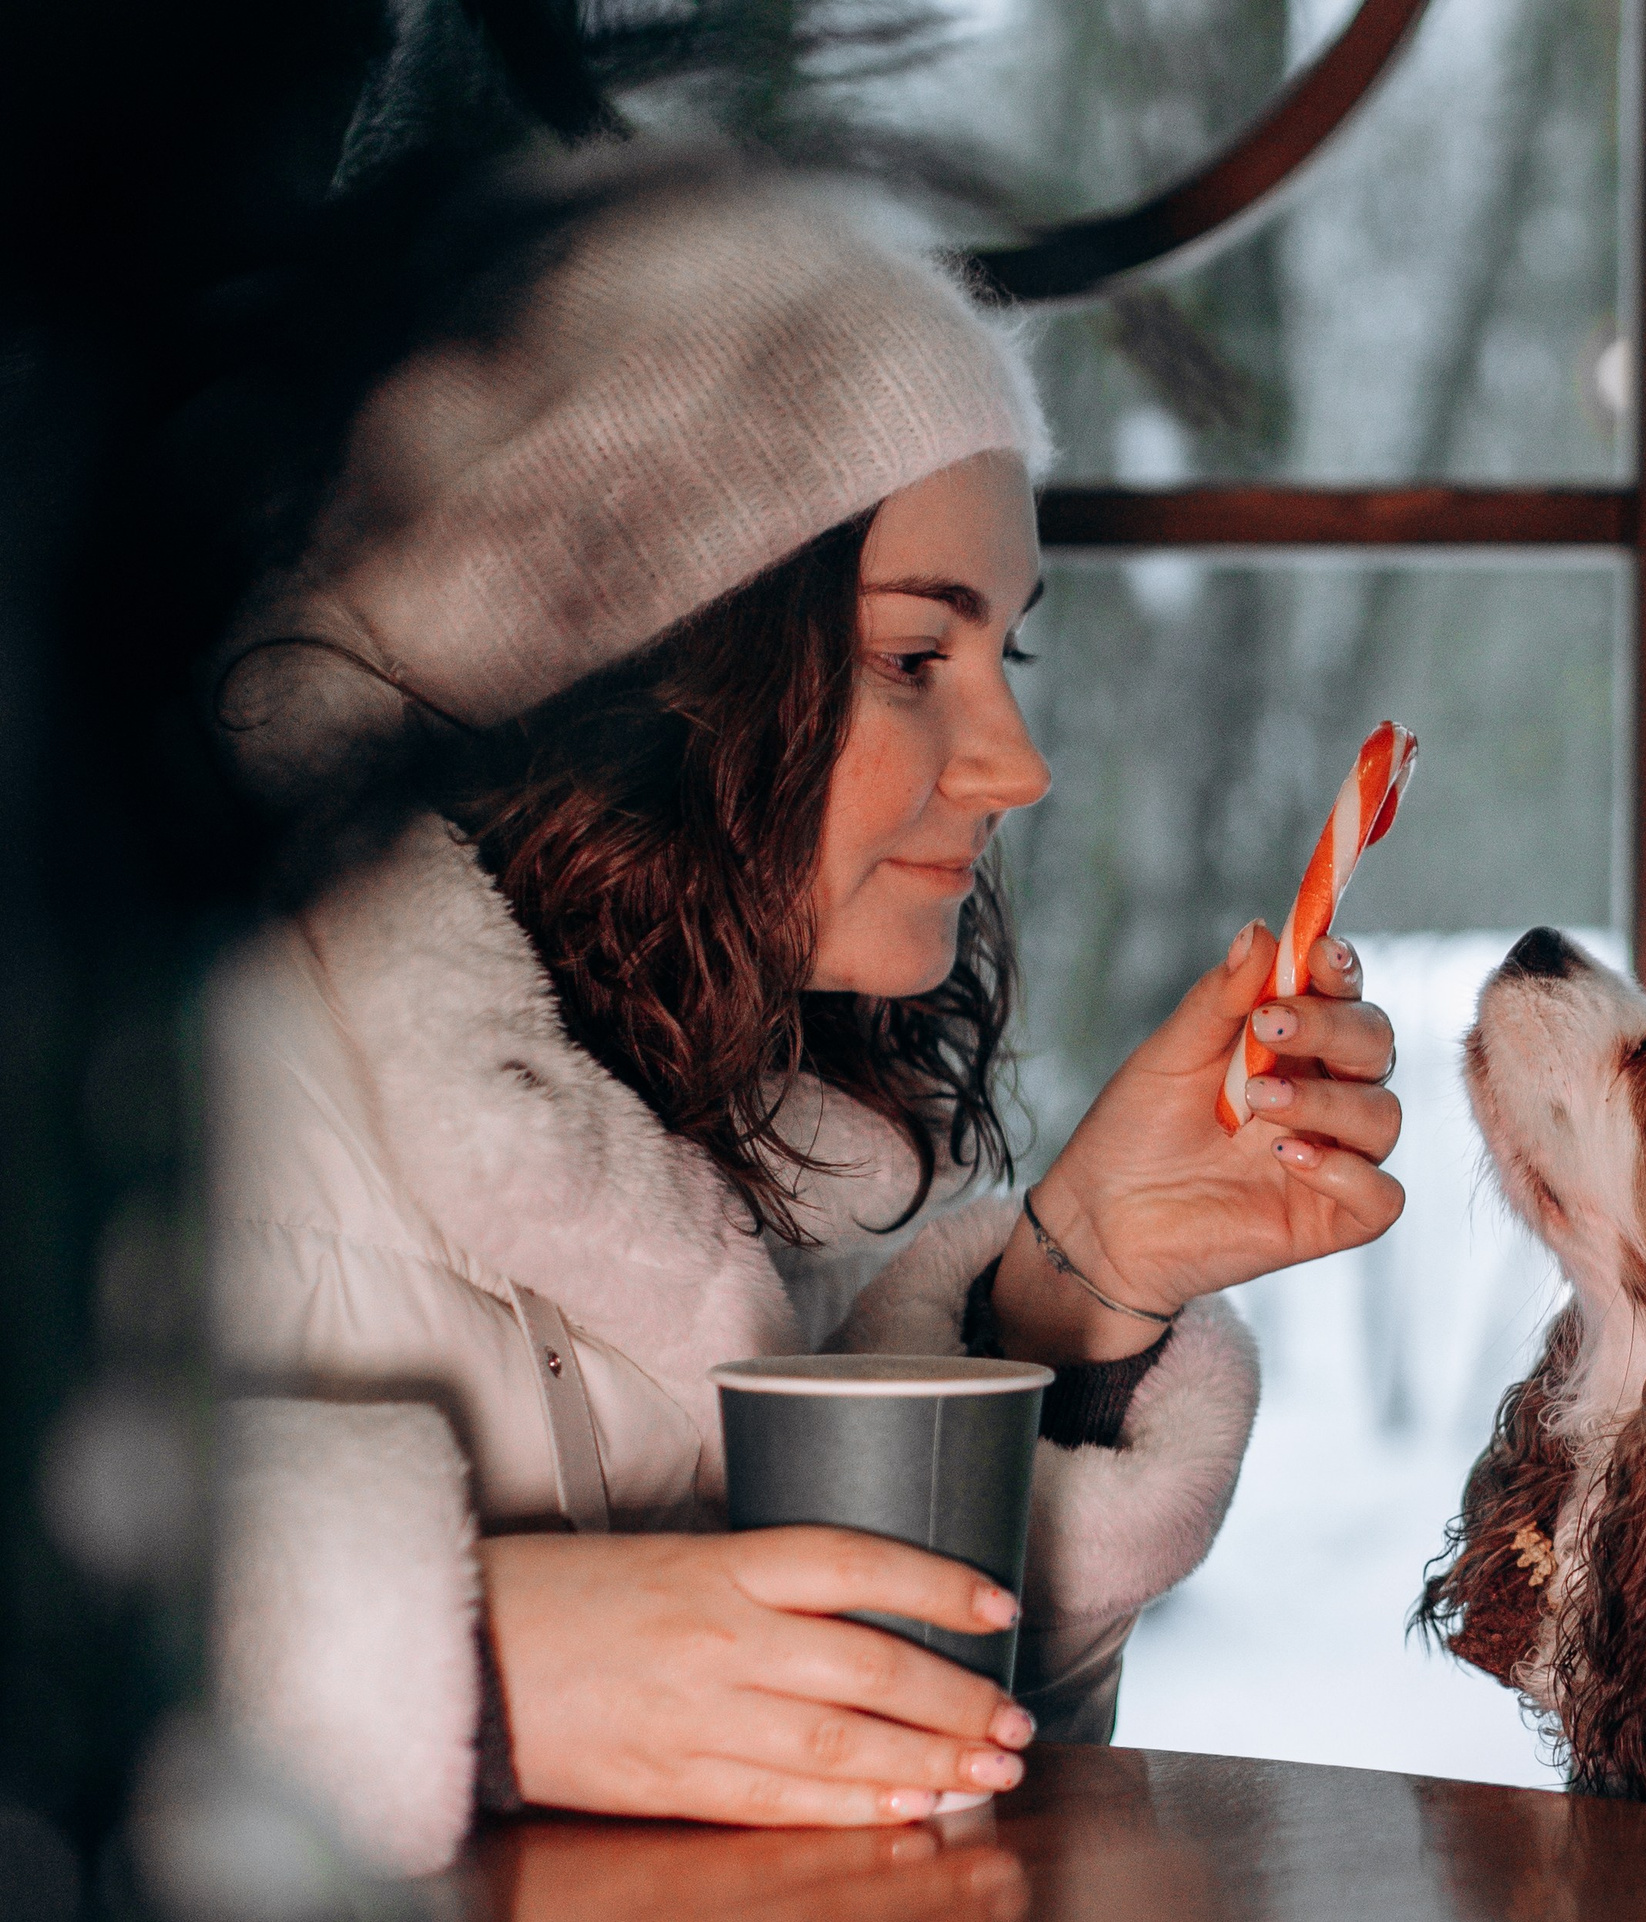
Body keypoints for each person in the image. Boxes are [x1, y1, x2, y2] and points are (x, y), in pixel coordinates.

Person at [201, 149, 1403, 1877]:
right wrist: (472, 1646)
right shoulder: (160, 1042)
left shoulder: (760, 1116)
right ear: (628, 663)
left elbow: (905, 1784)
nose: (1019, 763)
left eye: (1010, 654)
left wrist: (1080, 1284)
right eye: (915, 655)